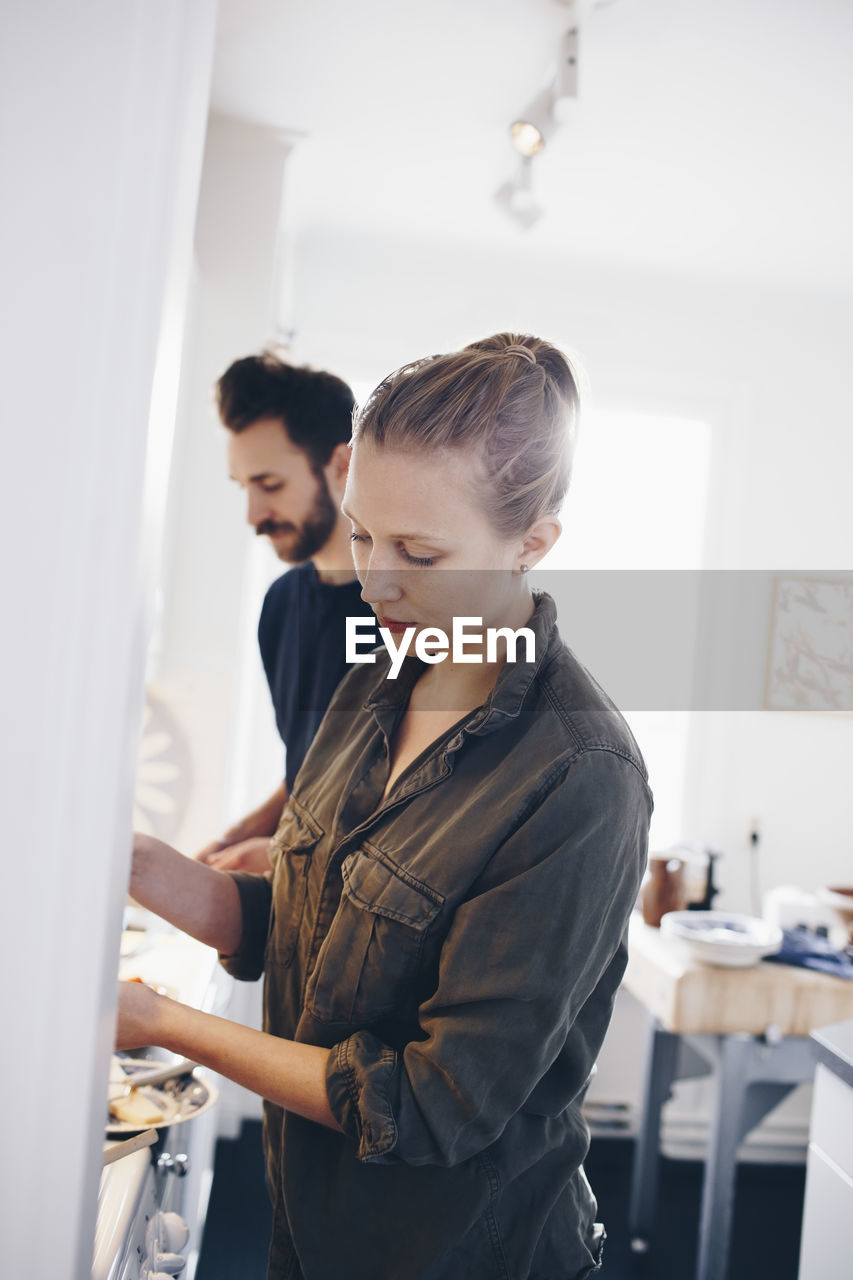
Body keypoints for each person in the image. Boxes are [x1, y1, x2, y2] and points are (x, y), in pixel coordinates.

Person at [119, 332, 652, 1280]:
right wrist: (137, 863)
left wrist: (164, 1024)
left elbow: (435, 1102)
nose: (374, 578)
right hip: (312, 1225)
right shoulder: (383, 670)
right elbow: (305, 921)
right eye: (363, 532)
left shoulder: (581, 776)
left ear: (532, 542)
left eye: (420, 549)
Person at [196, 352, 374, 872]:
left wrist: (277, 859)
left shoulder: (414, 615)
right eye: (243, 487)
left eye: (270, 486)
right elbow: (315, 772)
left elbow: (407, 808)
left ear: (342, 466)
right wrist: (251, 828)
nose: (254, 516)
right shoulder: (280, 607)